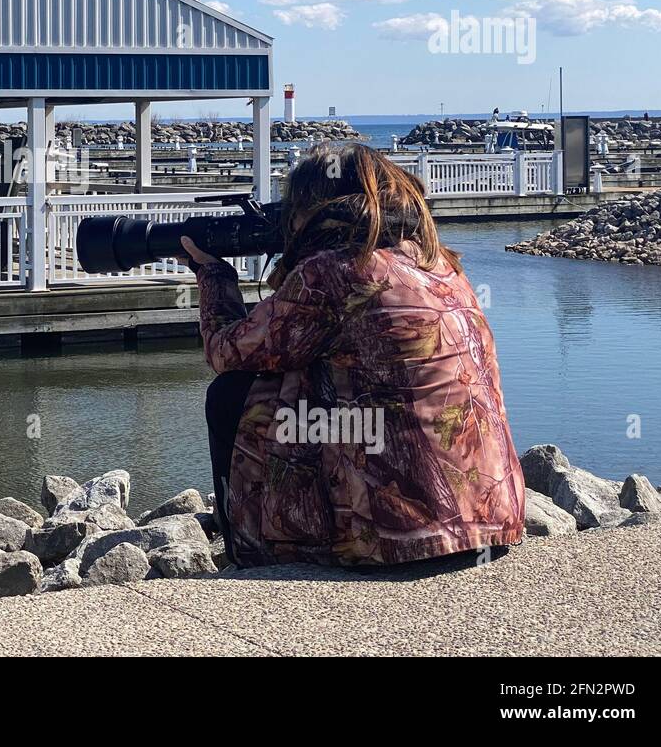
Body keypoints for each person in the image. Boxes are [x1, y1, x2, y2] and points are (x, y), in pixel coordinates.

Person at [182, 143, 524, 568]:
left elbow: (226, 351)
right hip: (492, 517)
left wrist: (212, 273)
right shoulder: (439, 263)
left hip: (395, 536)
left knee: (233, 393)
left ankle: (250, 547)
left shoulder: (334, 268)